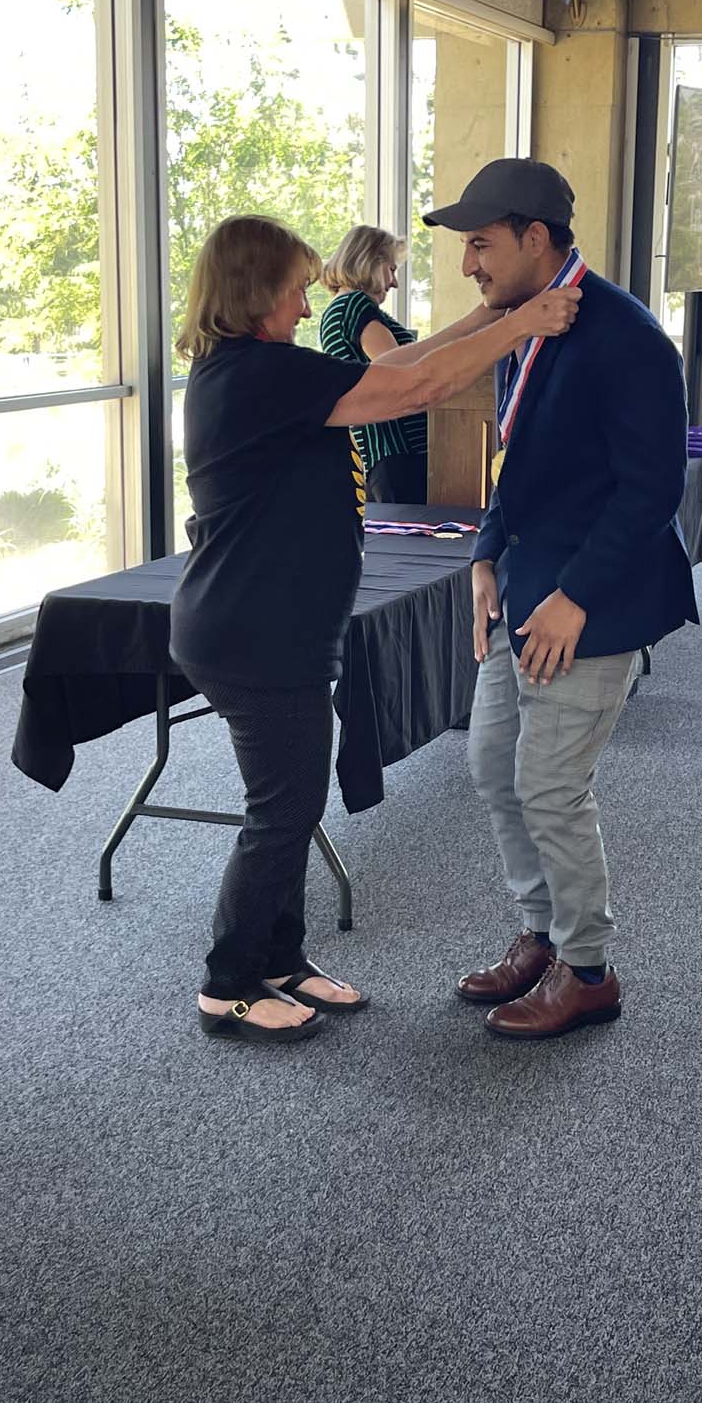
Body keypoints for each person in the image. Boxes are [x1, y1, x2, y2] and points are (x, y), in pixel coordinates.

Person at [169, 213, 581, 1043]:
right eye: (293, 286)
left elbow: (403, 359)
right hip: (253, 633)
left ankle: (281, 959)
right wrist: (524, 325)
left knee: (291, 801)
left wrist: (490, 319)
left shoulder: (260, 368)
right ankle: (229, 983)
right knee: (282, 811)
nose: (303, 299)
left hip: (269, 624)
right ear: (256, 292)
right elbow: (417, 389)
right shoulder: (253, 375)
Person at [421, 158, 699, 1041]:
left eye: (480, 245)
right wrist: (486, 553)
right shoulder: (528, 325)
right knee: (493, 769)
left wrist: (576, 596)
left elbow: (652, 489)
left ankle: (587, 970)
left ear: (535, 239)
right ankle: (541, 936)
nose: (470, 265)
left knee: (548, 785)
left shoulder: (627, 337)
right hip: (521, 588)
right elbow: (519, 461)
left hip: (592, 602)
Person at [319, 225, 426, 504]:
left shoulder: (337, 311)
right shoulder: (354, 304)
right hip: (396, 453)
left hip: (380, 456)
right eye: (391, 269)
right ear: (369, 263)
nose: (394, 283)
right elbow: (398, 372)